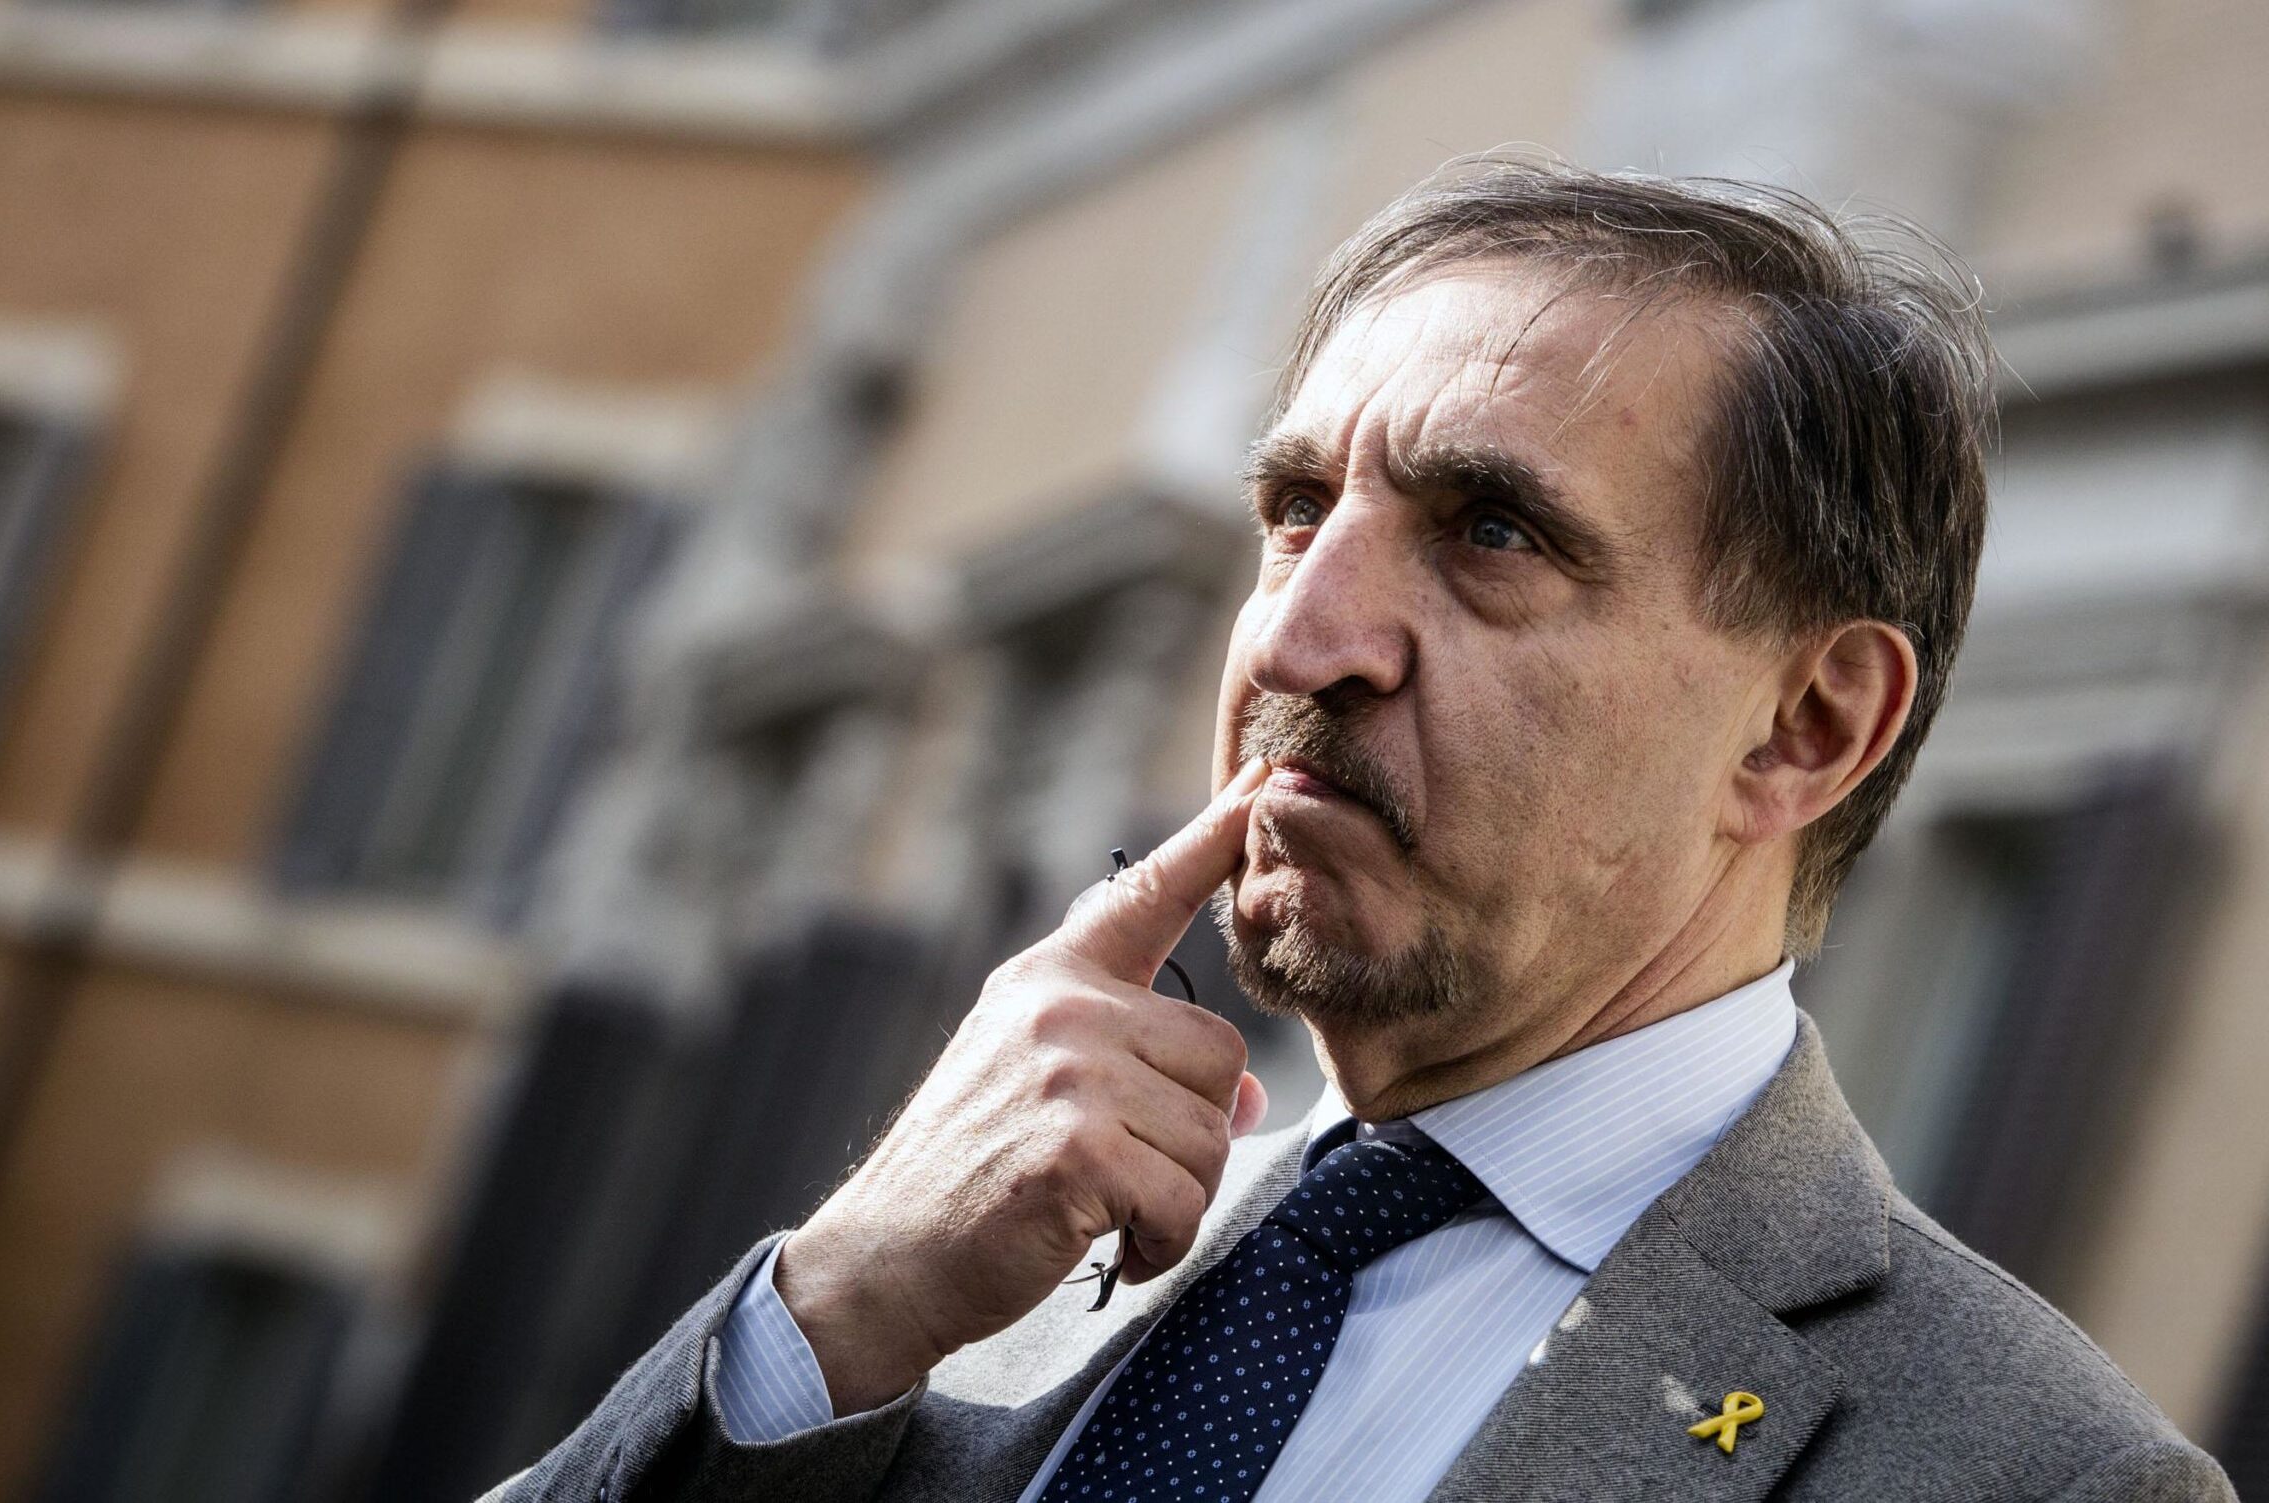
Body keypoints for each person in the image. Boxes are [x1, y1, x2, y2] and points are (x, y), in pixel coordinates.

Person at [494, 162, 2235, 1501]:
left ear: (1807, 727)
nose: (1300, 642)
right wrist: (832, 1312)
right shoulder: (998, 1245)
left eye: (1491, 534)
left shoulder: (2032, 1476)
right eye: (1296, 509)